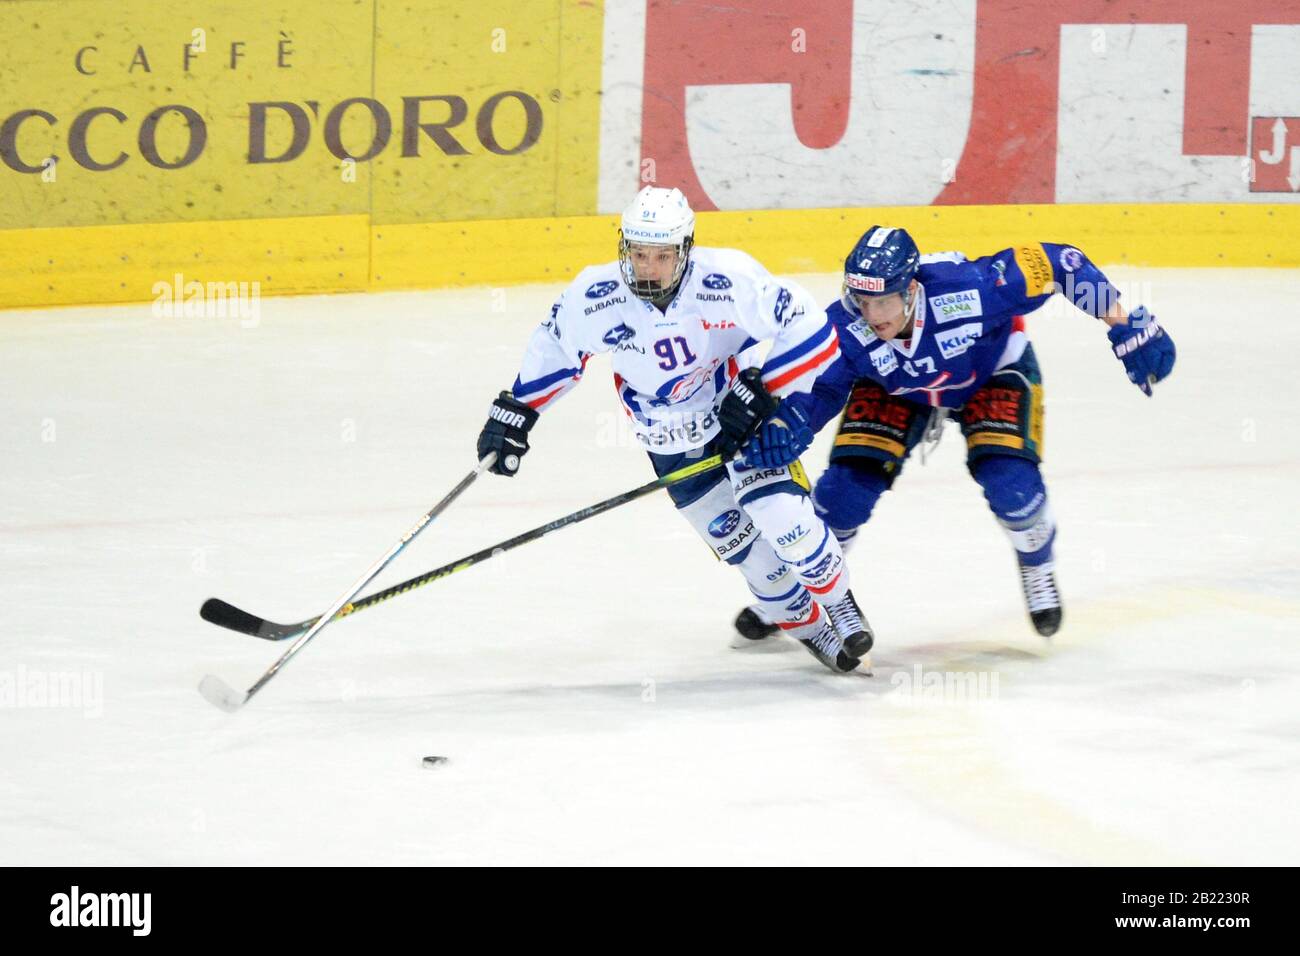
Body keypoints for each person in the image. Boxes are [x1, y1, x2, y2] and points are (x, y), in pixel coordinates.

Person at [475, 185, 876, 673]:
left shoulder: (726, 277)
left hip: (737, 416)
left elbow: (808, 323)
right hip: (668, 438)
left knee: (782, 519)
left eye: (662, 256)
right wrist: (516, 411)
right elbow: (557, 347)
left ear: (685, 249)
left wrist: (763, 389)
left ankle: (837, 602)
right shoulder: (597, 295)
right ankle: (813, 630)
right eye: (638, 253)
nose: (648, 267)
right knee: (754, 560)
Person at [734, 225, 1176, 641]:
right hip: (899, 389)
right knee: (843, 494)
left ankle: (1036, 561)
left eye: (882, 302)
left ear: (911, 290)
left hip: (990, 372)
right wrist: (791, 424)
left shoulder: (971, 288)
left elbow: (1062, 263)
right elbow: (825, 388)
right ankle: (797, 592)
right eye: (861, 301)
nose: (871, 316)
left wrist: (1121, 320)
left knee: (1013, 490)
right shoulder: (847, 325)